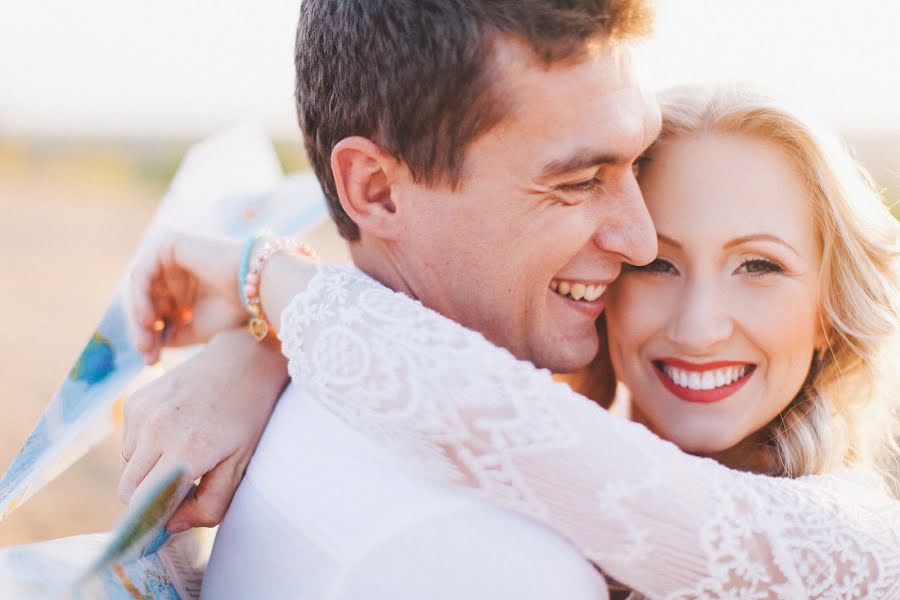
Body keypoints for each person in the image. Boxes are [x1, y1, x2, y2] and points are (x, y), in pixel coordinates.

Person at [127, 83, 900, 597]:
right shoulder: (562, 469)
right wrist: (258, 349)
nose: (700, 325)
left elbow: (493, 422)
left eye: (760, 266)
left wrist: (265, 284)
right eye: (659, 262)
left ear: (830, 307)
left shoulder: (863, 539)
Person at [122, 1, 660, 598]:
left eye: (644, 164)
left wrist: (262, 338)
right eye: (580, 180)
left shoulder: (307, 392)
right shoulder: (487, 562)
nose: (642, 241)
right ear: (377, 192)